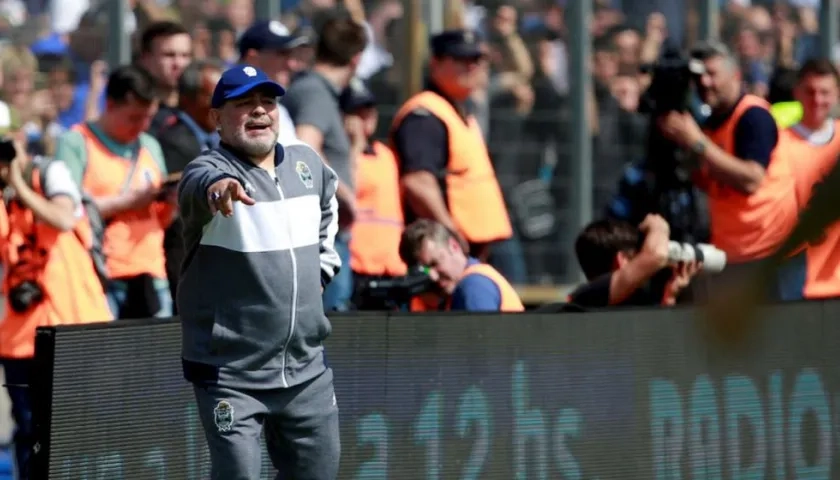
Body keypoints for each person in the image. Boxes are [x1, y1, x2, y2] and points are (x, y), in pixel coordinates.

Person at [177, 65, 341, 480]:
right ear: (216, 117)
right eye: (243, 103)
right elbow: (203, 184)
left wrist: (317, 274)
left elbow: (328, 212)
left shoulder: (307, 163)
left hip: (306, 370)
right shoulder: (208, 168)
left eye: (267, 102)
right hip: (231, 373)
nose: (259, 111)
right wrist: (221, 189)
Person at [0, 116, 113, 480]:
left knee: (80, 428)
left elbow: (64, 218)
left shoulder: (50, 173)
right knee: (29, 429)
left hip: (74, 328)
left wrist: (18, 180)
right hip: (20, 338)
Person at [656, 41, 798, 298]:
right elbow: (706, 179)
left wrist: (696, 143)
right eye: (699, 77)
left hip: (768, 253)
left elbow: (752, 179)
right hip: (732, 255)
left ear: (735, 75)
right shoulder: (711, 124)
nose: (705, 83)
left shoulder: (753, 115)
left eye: (712, 74)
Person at [55, 65, 176, 319]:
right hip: (101, 276)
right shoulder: (76, 143)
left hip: (150, 275)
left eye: (148, 118)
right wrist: (126, 202)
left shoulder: (149, 146)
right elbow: (67, 212)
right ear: (110, 105)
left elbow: (161, 220)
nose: (142, 126)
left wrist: (172, 203)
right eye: (134, 117)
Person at [390, 30, 513, 270]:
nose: (471, 67)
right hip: (445, 254)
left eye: (476, 60)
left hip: (472, 248)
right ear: (435, 63)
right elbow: (418, 182)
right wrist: (451, 235)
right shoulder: (425, 115)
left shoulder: (458, 111)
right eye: (460, 60)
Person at [283, 15, 368, 311]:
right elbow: (305, 146)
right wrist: (345, 197)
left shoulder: (319, 93)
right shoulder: (314, 92)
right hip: (320, 236)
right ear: (356, 60)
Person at [154, 59, 224, 312]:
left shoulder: (219, 137)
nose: (223, 105)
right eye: (214, 96)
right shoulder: (172, 137)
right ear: (191, 99)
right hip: (185, 257)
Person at [340, 78, 406, 308]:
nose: (366, 116)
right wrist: (355, 145)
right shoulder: (344, 157)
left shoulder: (385, 154)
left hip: (392, 266)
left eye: (369, 109)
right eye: (357, 111)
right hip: (357, 267)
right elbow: (346, 185)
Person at [779, 59, 840, 299]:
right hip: (795, 276)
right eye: (810, 91)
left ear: (836, 94)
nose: (817, 100)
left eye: (825, 92)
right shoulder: (780, 143)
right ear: (797, 92)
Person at [567, 215, 700, 308]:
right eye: (639, 258)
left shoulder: (622, 303)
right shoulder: (589, 298)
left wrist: (669, 296)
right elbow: (656, 256)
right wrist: (659, 227)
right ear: (622, 260)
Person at [398, 219, 524, 312]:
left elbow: (481, 345)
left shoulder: (473, 285)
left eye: (435, 263)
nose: (433, 276)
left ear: (454, 246)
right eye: (424, 271)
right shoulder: (467, 285)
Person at [237, 20, 311, 145]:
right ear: (252, 58)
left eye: (291, 54)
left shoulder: (278, 109)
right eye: (282, 54)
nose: (291, 65)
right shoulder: (234, 111)